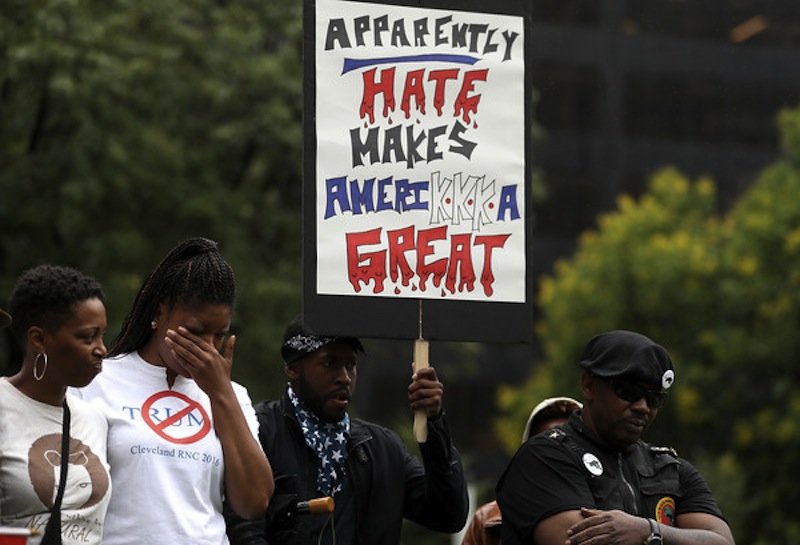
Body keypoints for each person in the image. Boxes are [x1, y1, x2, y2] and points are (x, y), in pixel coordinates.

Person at [73, 237, 274, 545]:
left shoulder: (231, 396)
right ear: (159, 312)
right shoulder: (98, 382)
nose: (206, 348)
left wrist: (220, 394)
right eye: (194, 331)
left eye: (218, 335)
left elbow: (254, 502)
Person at [225, 314, 469, 545]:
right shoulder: (257, 432)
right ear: (292, 368)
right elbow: (243, 530)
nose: (344, 377)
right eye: (329, 363)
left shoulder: (382, 449)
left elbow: (449, 515)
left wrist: (434, 422)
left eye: (350, 364)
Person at [496, 330, 736, 545]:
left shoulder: (671, 469)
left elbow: (722, 541)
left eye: (654, 398)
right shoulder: (544, 458)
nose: (642, 407)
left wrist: (649, 531)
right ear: (589, 385)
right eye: (629, 391)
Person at [0, 264, 111, 543]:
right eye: (88, 337)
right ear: (39, 339)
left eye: (102, 335)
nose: (102, 349)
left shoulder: (93, 419)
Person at [461, 396, 582, 545]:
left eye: (569, 445)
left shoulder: (606, 515)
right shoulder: (487, 520)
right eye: (546, 447)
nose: (556, 457)